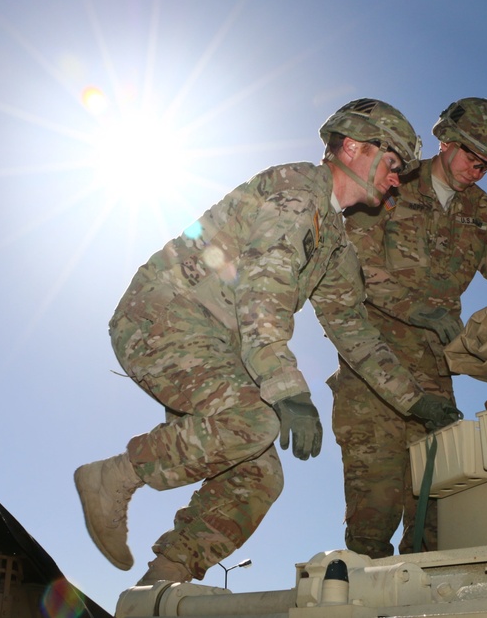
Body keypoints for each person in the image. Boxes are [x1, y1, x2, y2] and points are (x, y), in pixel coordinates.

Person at [73, 98, 462, 585]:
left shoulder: (334, 245)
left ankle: (164, 580)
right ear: (355, 147)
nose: (395, 178)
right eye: (390, 163)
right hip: (163, 318)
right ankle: (115, 476)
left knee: (259, 476)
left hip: (213, 345)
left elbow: (354, 331)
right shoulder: (298, 189)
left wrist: (417, 402)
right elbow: (264, 287)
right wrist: (287, 388)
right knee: (253, 420)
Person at [329, 97, 487, 558]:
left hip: (434, 375)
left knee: (436, 514)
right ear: (446, 140)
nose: (476, 171)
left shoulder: (482, 215)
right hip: (372, 370)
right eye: (471, 157)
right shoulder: (388, 181)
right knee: (373, 516)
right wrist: (417, 308)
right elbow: (349, 269)